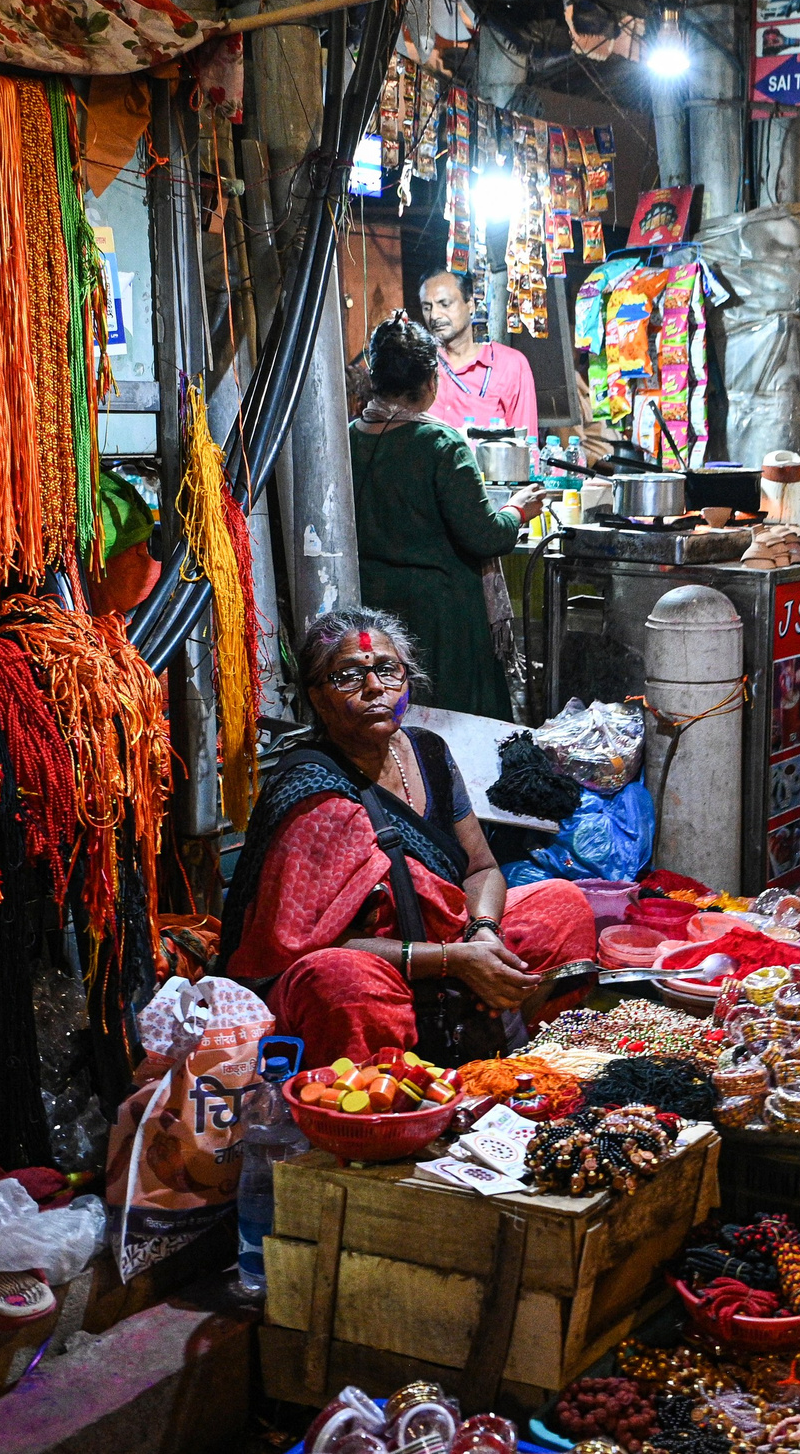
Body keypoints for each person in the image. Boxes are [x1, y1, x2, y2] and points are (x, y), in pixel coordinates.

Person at [219, 610, 596, 1065]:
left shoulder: (428, 750)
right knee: (341, 981)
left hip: (455, 943)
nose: (374, 687)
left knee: (562, 903)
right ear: (318, 698)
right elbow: (303, 946)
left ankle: (494, 1056)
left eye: (387, 669)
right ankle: (385, 1087)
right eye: (348, 676)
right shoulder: (313, 794)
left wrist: (483, 933)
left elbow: (481, 868)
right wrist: (451, 959)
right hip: (380, 967)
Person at [349, 319, 547, 719]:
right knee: (452, 723)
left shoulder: (348, 438)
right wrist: (518, 510)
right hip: (443, 620)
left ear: (375, 380)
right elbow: (485, 536)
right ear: (430, 382)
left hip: (373, 614)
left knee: (391, 717)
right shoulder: (441, 444)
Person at [417, 270, 539, 434]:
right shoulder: (421, 364)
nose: (434, 316)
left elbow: (526, 440)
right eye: (427, 307)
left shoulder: (510, 365)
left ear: (471, 305)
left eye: (444, 304)